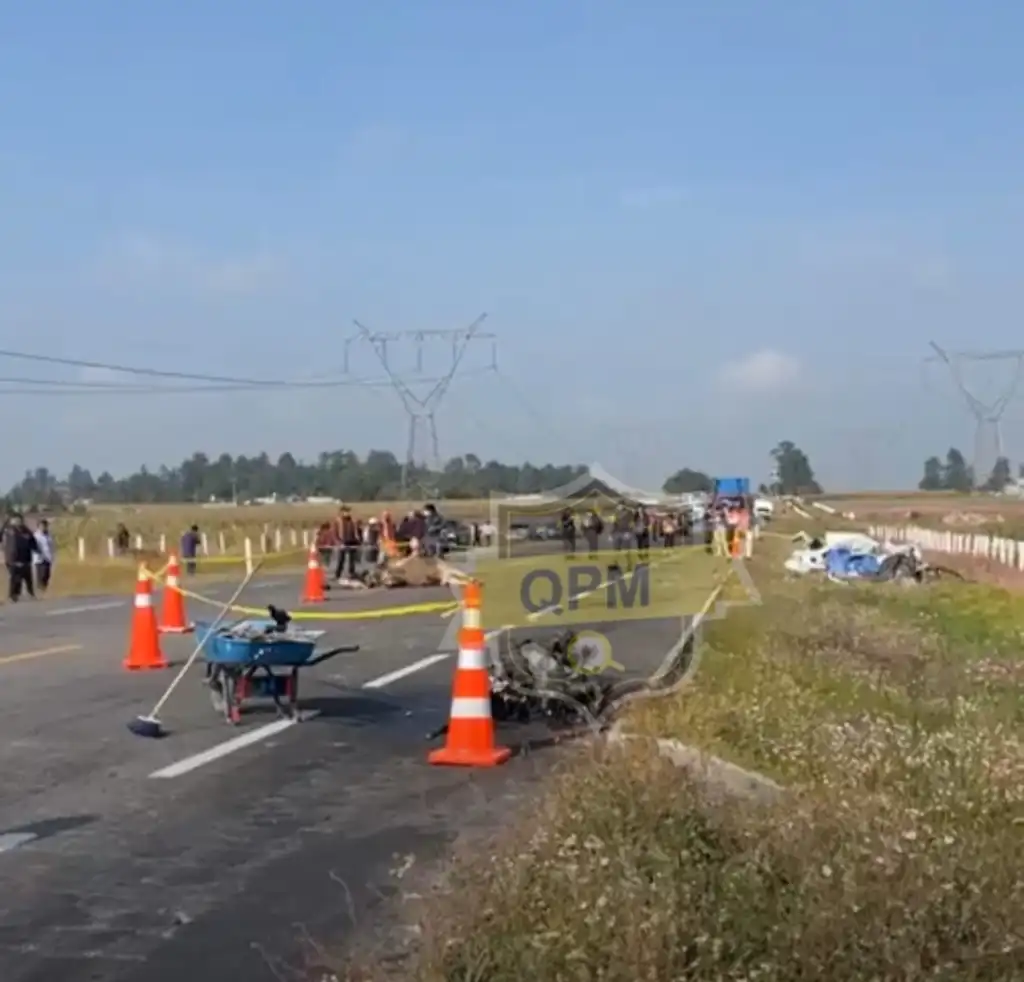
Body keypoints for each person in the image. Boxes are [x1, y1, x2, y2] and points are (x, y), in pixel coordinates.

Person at [4, 514, 38, 602]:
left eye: (19, 520)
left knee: (28, 578)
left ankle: (30, 594)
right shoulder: (9, 531)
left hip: (25, 559)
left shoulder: (26, 531)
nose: (18, 522)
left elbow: (33, 542)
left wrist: (36, 549)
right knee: (15, 578)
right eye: (16, 520)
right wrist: (6, 522)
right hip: (13, 559)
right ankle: (12, 595)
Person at [333, 505, 360, 581]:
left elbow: (356, 531)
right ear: (342, 512)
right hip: (342, 542)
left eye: (348, 512)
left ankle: (351, 573)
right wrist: (338, 542)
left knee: (352, 559)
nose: (348, 513)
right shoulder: (338, 521)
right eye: (346, 512)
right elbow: (335, 533)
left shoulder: (352, 521)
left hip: (351, 542)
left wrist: (357, 540)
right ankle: (338, 574)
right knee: (341, 559)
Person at [33, 518, 54, 594]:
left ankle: (44, 589)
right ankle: (40, 589)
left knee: (47, 575)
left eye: (44, 526)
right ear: (38, 526)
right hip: (39, 558)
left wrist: (52, 556)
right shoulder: (36, 536)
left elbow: (52, 546)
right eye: (41, 526)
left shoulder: (49, 535)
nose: (43, 527)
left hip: (48, 557)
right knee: (41, 575)